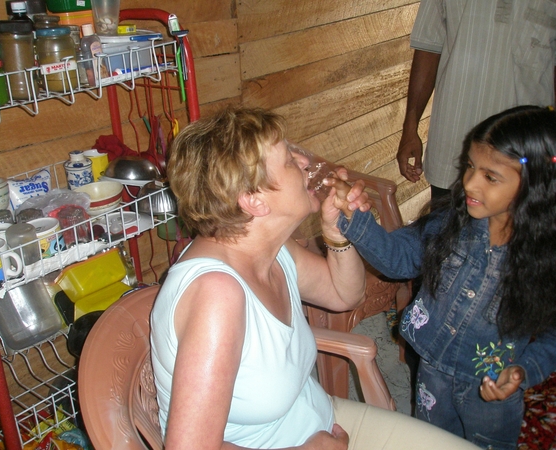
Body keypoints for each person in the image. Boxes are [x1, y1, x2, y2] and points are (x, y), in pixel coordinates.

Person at [149, 106, 477, 450]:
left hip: (316, 418)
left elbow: (343, 295)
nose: (305, 162)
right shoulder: (217, 295)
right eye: (290, 160)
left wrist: (336, 234)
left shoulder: (271, 251)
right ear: (254, 201)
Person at [333, 105, 556, 449]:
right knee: (432, 441)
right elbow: (398, 259)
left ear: (535, 185)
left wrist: (522, 371)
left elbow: (551, 336)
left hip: (490, 395)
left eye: (490, 176)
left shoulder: (544, 261)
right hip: (432, 379)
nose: (469, 182)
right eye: (470, 166)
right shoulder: (450, 226)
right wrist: (357, 220)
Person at [397, 0, 556, 203]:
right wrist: (410, 127)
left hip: (525, 154)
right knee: (448, 231)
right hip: (454, 149)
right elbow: (429, 46)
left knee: (523, 228)